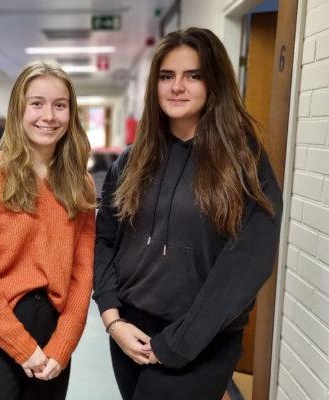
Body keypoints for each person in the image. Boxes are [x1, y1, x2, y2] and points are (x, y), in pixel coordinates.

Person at [92, 27, 283, 400]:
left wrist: (177, 344)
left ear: (214, 82)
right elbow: (103, 238)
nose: (177, 86)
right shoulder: (133, 160)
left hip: (200, 340)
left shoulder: (243, 162)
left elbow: (248, 262)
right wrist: (112, 319)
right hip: (130, 332)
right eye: (167, 76)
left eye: (193, 75)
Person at [0, 61, 96, 400]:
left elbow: (83, 271)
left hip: (52, 332)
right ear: (19, 109)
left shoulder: (80, 185)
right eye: (37, 103)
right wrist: (21, 346)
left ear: (71, 114)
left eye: (60, 105)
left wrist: (63, 344)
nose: (49, 115)